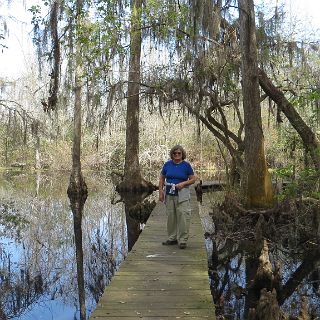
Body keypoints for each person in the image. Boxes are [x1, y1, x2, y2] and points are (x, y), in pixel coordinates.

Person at [159, 145, 196, 249]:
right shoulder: (167, 165)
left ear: (182, 154)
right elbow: (162, 179)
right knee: (171, 217)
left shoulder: (186, 165)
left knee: (183, 217)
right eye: (175, 153)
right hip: (169, 194)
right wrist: (161, 192)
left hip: (182, 194)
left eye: (179, 153)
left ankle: (183, 240)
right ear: (172, 154)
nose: (177, 155)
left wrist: (183, 184)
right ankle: (172, 238)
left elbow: (193, 179)